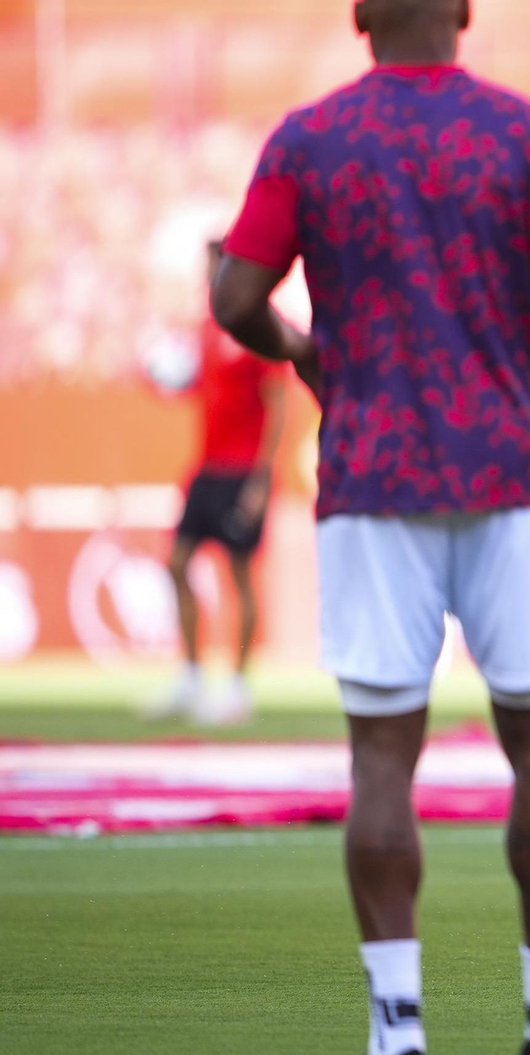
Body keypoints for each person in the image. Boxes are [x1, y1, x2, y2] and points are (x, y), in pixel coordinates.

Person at [209, 2, 530, 1055]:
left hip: (372, 474)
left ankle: (396, 1032)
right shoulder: (527, 133)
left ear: (360, 15)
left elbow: (235, 297)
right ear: (463, 12)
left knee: (381, 756)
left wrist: (305, 349)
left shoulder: (308, 139)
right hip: (512, 472)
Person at [144, 239, 287, 726]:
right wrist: (169, 382)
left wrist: (261, 479)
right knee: (176, 563)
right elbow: (206, 389)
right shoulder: (207, 328)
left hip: (243, 471)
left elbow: (277, 404)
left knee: (239, 576)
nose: (207, 279)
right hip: (207, 468)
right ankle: (190, 675)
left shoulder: (257, 326)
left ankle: (238, 686)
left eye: (213, 269)